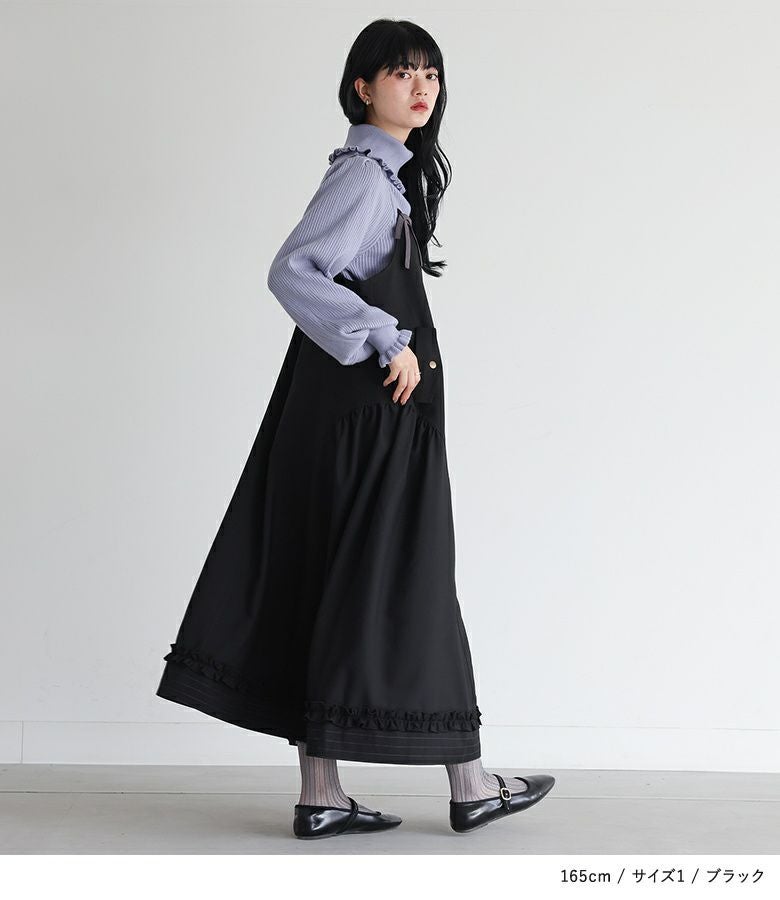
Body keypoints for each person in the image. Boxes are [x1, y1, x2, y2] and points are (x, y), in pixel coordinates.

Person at [155, 18, 554, 839]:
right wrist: (384, 336)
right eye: (402, 71)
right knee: (408, 582)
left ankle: (323, 795)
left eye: (431, 73)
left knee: (338, 583)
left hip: (352, 420)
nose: (421, 86)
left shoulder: (383, 177)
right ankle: (470, 783)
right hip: (368, 424)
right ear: (362, 86)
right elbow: (292, 269)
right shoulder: (366, 180)